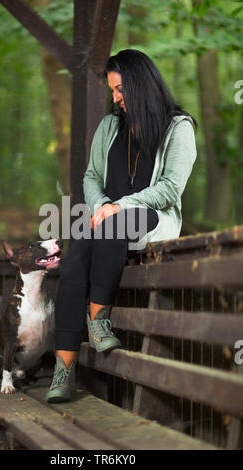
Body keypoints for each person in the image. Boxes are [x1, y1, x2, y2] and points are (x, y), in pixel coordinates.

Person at [45, 49, 197, 403]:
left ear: (141, 85)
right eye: (112, 90)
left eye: (120, 90)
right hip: (105, 219)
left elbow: (171, 188)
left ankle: (98, 323)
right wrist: (100, 206)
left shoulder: (178, 127)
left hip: (149, 216)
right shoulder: (110, 125)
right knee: (72, 265)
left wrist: (120, 206)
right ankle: (63, 372)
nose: (115, 98)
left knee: (114, 226)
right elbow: (92, 176)